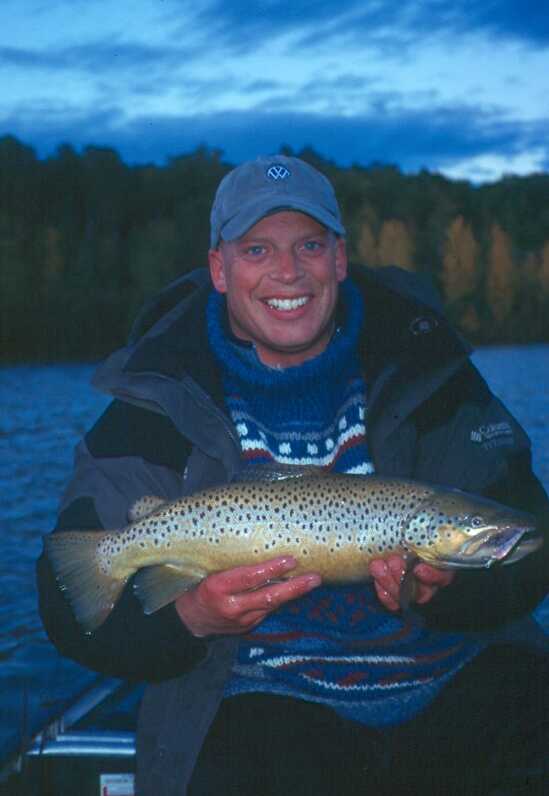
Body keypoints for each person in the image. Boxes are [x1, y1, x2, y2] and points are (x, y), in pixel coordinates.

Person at [37, 155, 548, 796]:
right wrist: (190, 616)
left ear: (339, 258)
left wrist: (454, 591)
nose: (288, 271)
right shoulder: (156, 399)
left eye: (309, 245)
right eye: (258, 249)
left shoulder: (429, 366)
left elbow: (529, 539)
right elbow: (66, 605)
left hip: (454, 682)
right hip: (259, 705)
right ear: (219, 269)